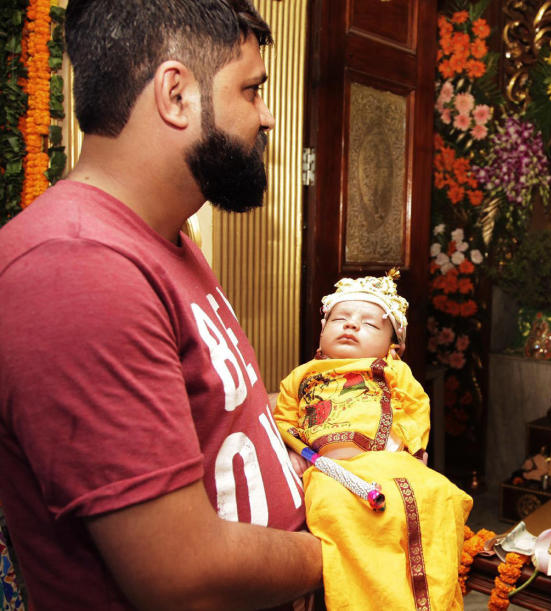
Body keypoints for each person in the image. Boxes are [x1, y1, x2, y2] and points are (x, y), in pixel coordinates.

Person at [0, 2, 326, 609]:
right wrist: (341, 554)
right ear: (176, 94)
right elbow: (183, 578)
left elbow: (205, 412)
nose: (268, 117)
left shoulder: (160, 235)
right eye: (251, 90)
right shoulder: (76, 268)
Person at [273, 270, 473, 610]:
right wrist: (294, 450)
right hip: (329, 470)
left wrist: (411, 443)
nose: (351, 326)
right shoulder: (301, 376)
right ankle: (365, 595)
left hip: (389, 460)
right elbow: (283, 417)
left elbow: (415, 406)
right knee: (333, 510)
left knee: (441, 496)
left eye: (369, 324)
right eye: (340, 319)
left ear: (392, 346)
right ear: (321, 333)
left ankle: (427, 599)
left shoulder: (393, 371)